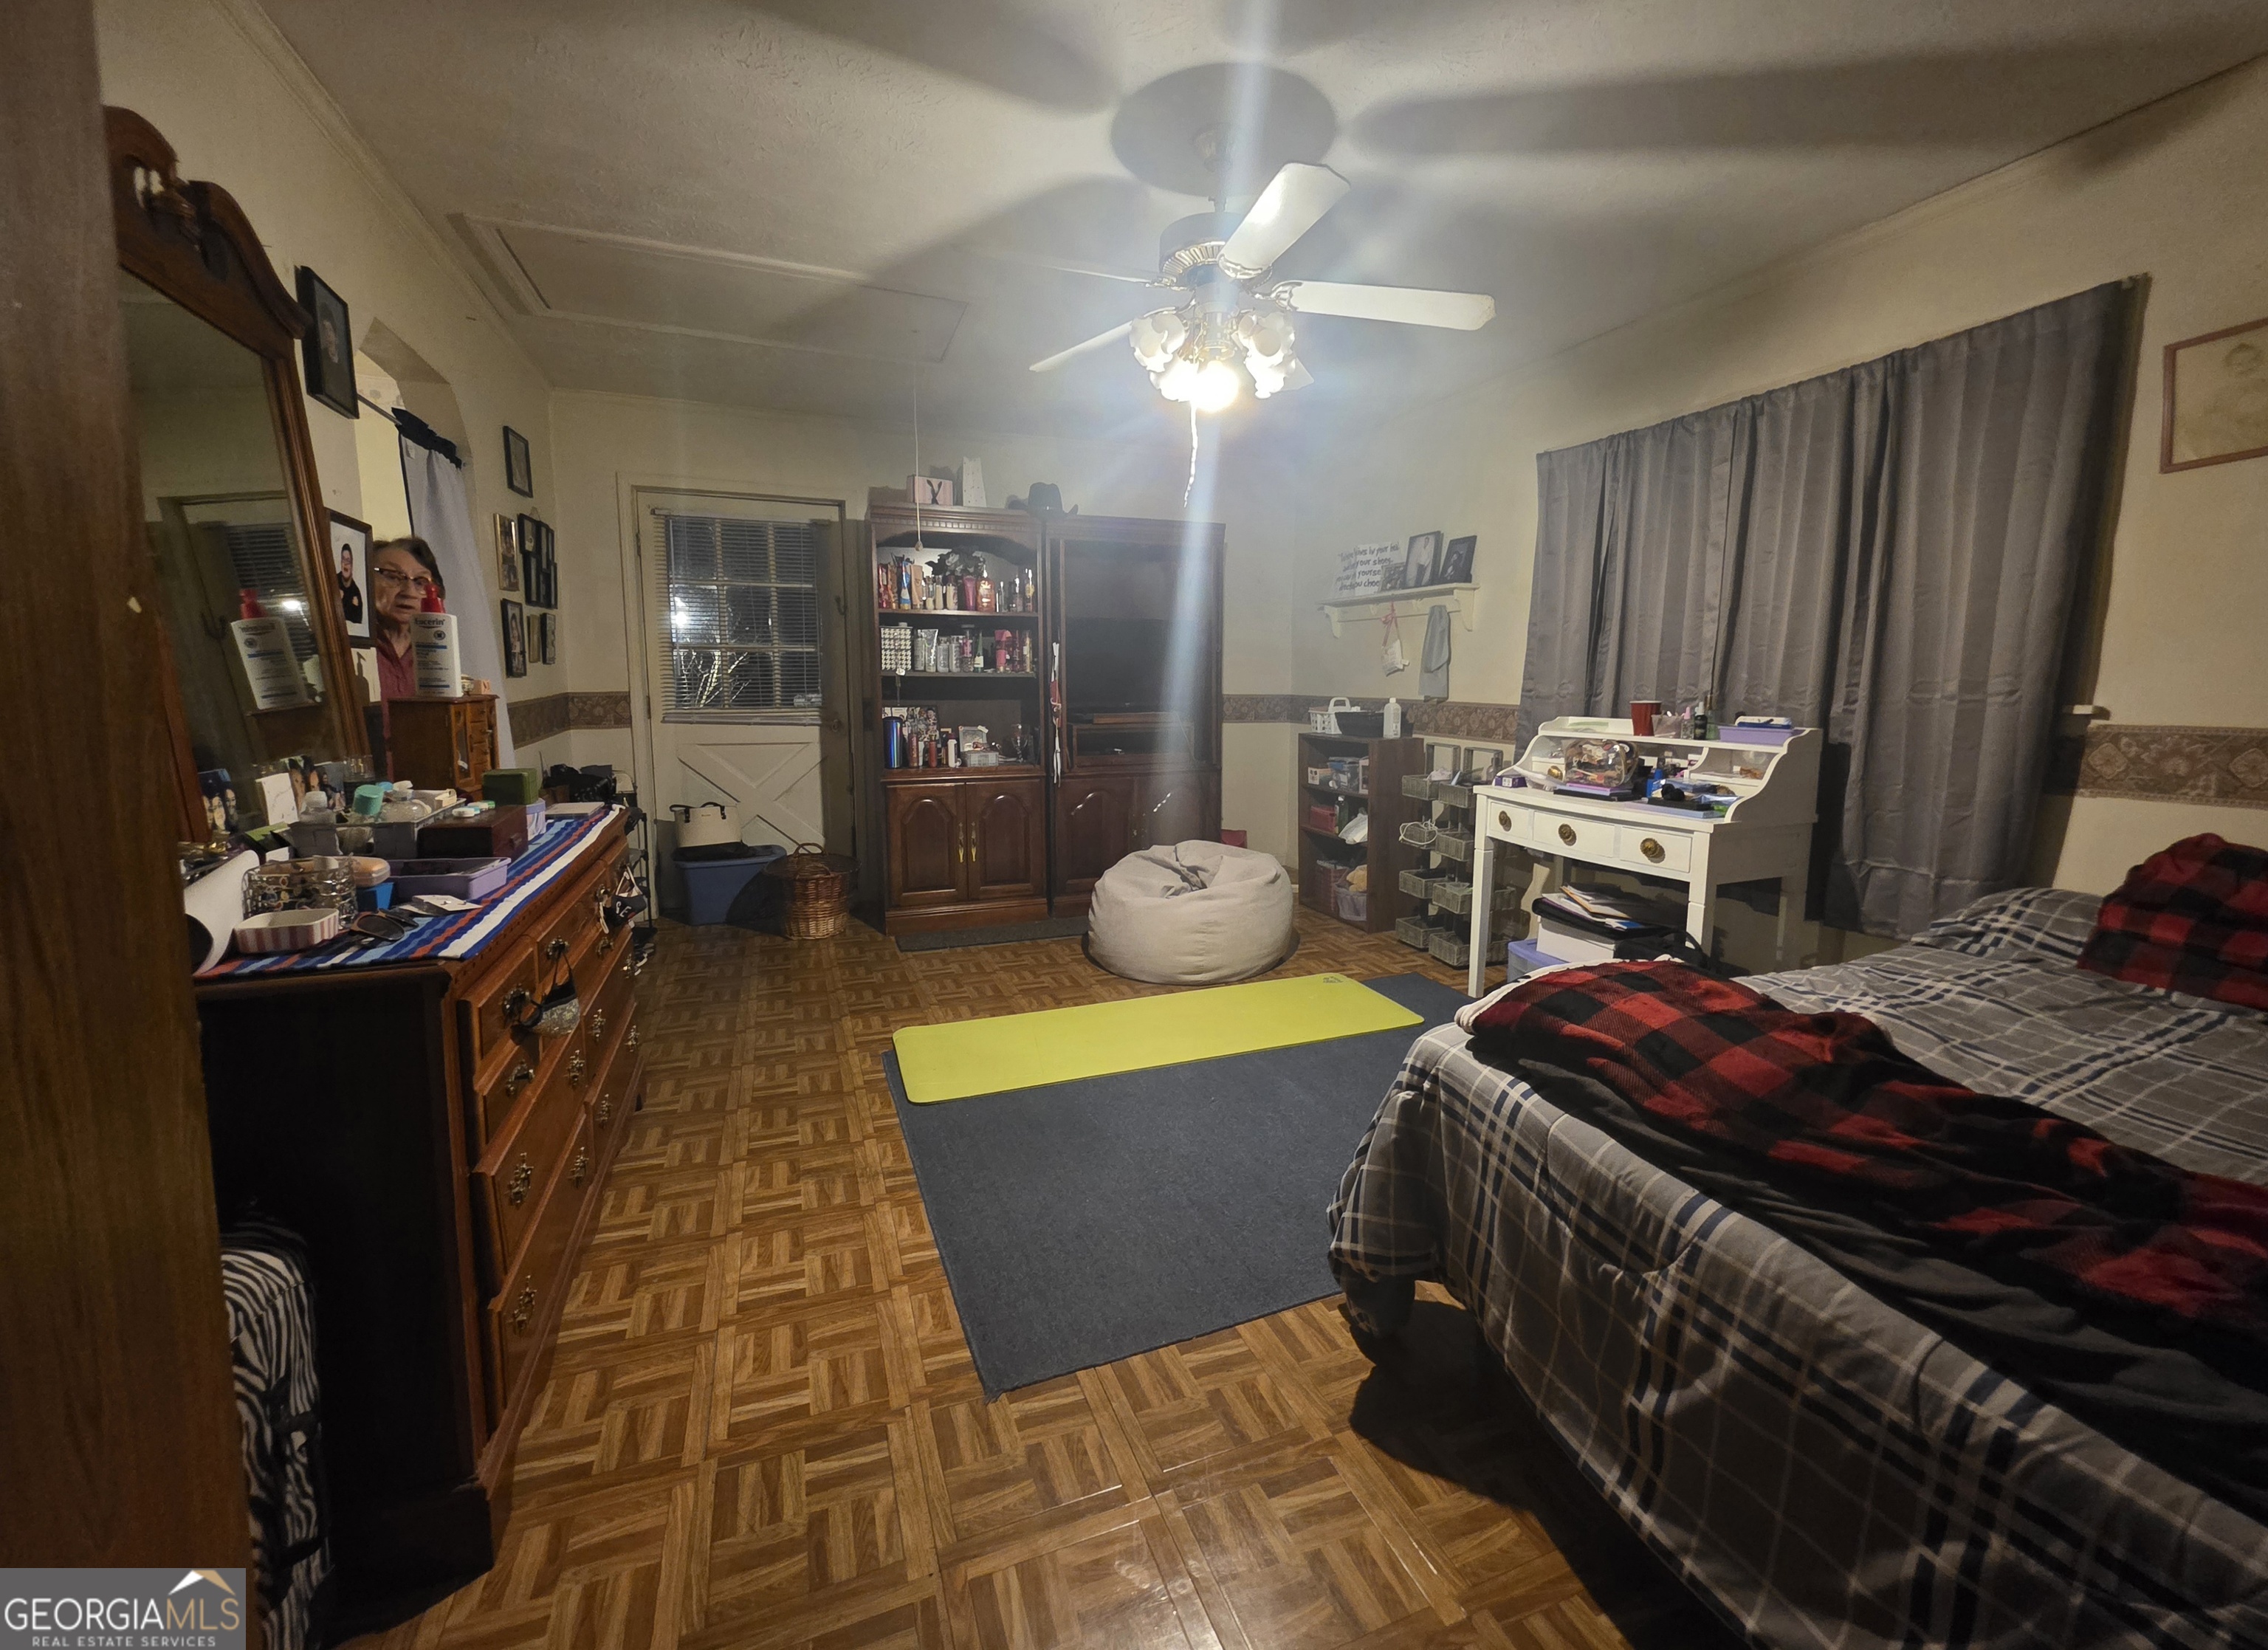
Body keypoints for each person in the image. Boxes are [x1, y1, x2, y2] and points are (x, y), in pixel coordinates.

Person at [369, 536, 444, 701]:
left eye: (420, 582)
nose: (409, 592)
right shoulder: (350, 647)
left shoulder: (435, 651)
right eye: (392, 576)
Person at [336, 546, 363, 628]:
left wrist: (354, 607)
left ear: (352, 565)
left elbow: (358, 623)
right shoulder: (333, 582)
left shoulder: (356, 593)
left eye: (348, 561)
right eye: (343, 560)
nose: (345, 564)